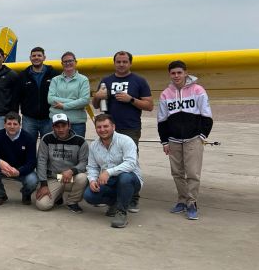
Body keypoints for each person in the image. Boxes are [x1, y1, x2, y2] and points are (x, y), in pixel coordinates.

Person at [92, 50, 153, 213]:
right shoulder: (106, 81)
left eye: (125, 62)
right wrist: (97, 96)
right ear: (114, 63)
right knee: (106, 161)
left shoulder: (139, 81)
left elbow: (149, 105)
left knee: (130, 163)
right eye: (118, 62)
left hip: (130, 128)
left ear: (130, 63)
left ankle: (133, 198)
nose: (121, 64)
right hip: (107, 128)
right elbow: (96, 105)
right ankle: (111, 195)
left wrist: (130, 99)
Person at [157, 60, 213, 221]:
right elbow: (162, 120)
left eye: (179, 72)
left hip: (193, 139)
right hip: (173, 140)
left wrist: (202, 136)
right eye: (173, 73)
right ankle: (182, 200)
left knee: (193, 173)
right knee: (177, 172)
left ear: (186, 73)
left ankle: (192, 203)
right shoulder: (165, 94)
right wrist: (164, 141)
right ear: (170, 75)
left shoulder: (198, 90)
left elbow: (207, 115)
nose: (176, 76)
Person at [83, 114, 143, 229]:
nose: (102, 130)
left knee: (125, 178)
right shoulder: (94, 145)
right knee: (89, 195)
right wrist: (92, 180)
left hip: (130, 180)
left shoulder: (125, 140)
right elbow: (92, 167)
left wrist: (108, 172)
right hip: (109, 181)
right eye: (99, 127)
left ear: (113, 127)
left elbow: (131, 164)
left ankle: (121, 212)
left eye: (106, 126)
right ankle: (115, 203)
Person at [35, 113, 88, 212]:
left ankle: (72, 202)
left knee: (82, 178)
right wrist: (43, 184)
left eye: (63, 126)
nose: (61, 129)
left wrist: (72, 171)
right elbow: (41, 162)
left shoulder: (80, 141)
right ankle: (58, 196)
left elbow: (84, 163)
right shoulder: (46, 139)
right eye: (57, 126)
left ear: (69, 125)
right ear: (53, 127)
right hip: (53, 178)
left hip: (70, 178)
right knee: (42, 205)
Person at [0, 112, 38, 206]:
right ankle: (0, 195)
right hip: (3, 169)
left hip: (21, 170)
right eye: (9, 124)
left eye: (15, 124)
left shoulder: (28, 138)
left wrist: (18, 171)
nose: (12, 126)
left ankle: (26, 194)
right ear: (4, 124)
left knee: (33, 180)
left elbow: (32, 162)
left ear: (20, 125)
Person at [18, 46, 58, 140]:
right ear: (30, 58)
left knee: (48, 145)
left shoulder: (54, 74)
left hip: (48, 118)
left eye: (39, 55)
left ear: (44, 57)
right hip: (29, 119)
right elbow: (17, 96)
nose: (36, 57)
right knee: (28, 145)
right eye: (34, 56)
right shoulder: (23, 75)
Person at [48, 51, 90, 137]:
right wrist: (75, 101)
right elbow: (50, 99)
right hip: (56, 122)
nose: (68, 63)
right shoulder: (55, 80)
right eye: (65, 61)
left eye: (70, 61)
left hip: (76, 123)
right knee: (55, 145)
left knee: (77, 145)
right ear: (62, 64)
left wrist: (63, 106)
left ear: (75, 62)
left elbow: (85, 100)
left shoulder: (83, 80)